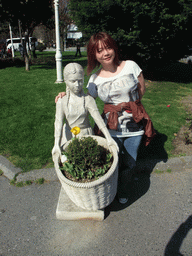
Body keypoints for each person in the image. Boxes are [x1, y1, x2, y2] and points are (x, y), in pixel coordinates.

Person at [55, 32, 155, 204]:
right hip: (112, 128)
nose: (105, 53)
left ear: (114, 48)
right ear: (94, 55)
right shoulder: (94, 80)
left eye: (108, 47)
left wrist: (131, 106)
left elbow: (141, 90)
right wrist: (67, 93)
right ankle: (112, 189)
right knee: (113, 161)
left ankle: (122, 189)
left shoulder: (130, 66)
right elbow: (84, 100)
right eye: (99, 50)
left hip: (134, 127)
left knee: (130, 162)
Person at [52, 62, 118, 159]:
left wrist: (109, 138)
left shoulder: (88, 99)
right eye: (73, 81)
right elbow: (58, 122)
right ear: (66, 81)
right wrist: (56, 144)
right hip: (68, 135)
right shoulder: (62, 101)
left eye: (80, 81)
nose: (77, 85)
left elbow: (98, 119)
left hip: (86, 135)